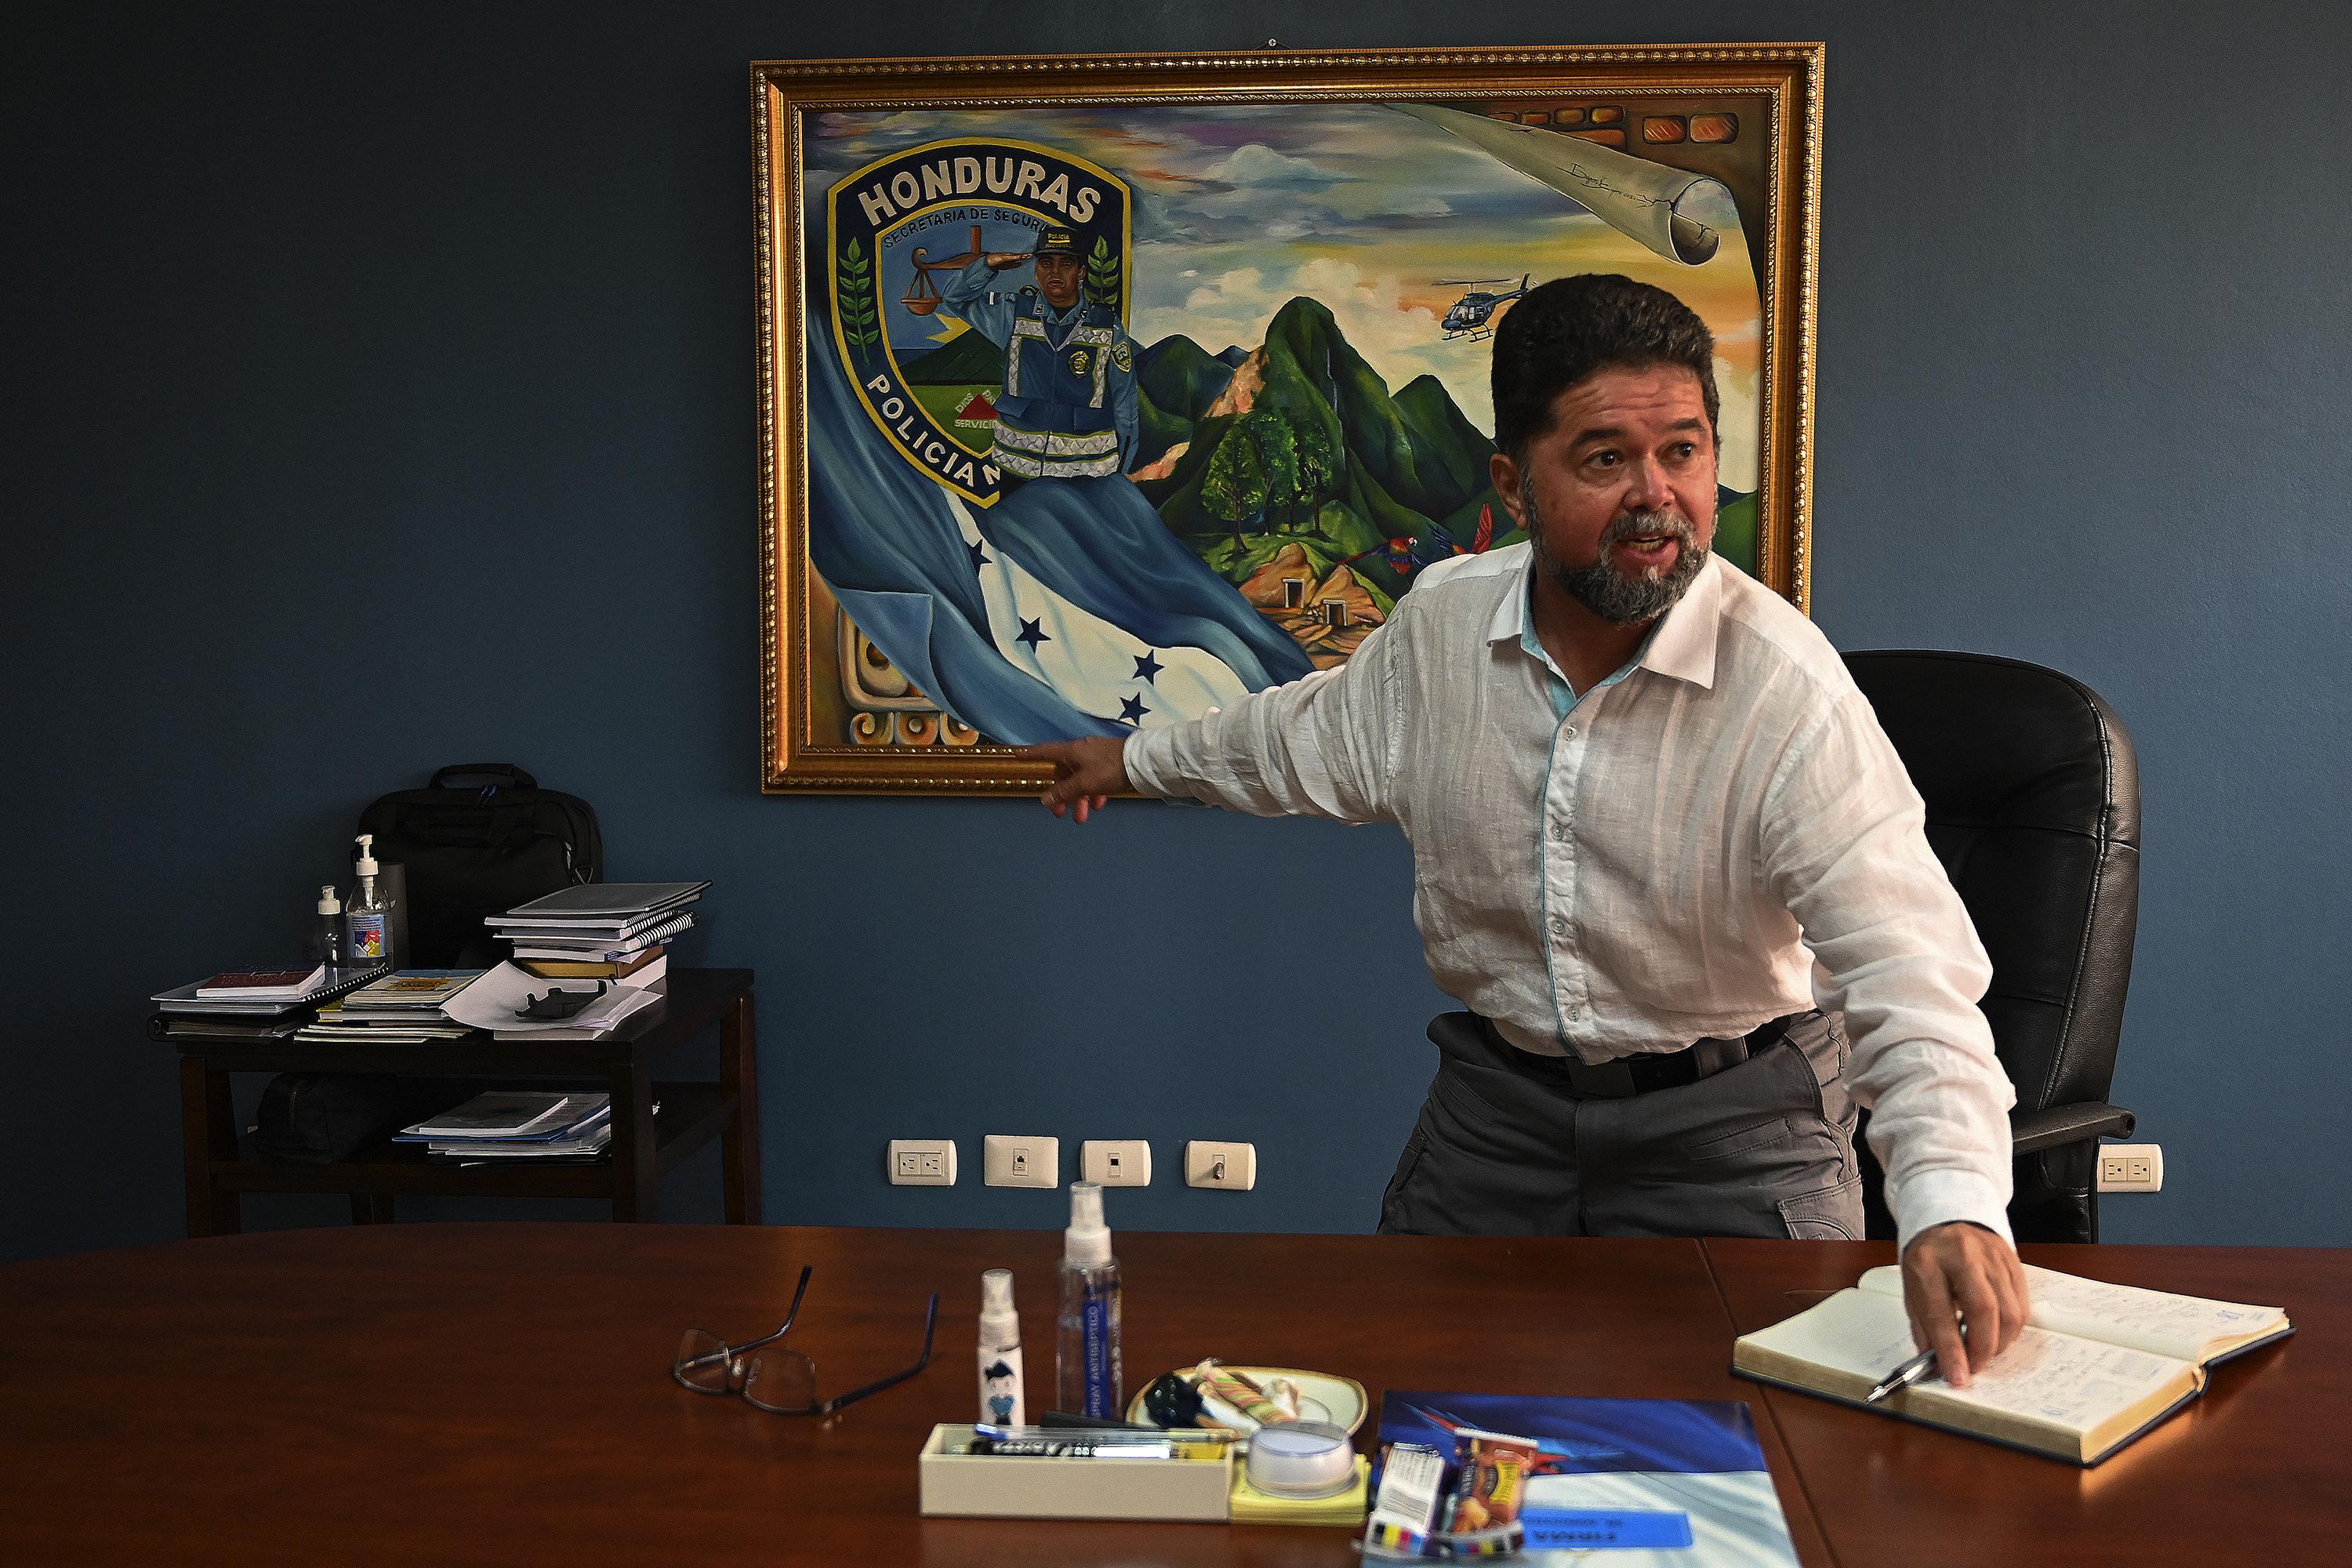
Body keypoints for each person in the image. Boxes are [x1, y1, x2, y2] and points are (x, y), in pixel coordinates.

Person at [1023, 274, 2031, 1388]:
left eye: (1685, 453)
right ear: (1513, 484)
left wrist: (1952, 1206)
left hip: (1733, 1137)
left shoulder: (1785, 690)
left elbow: (1910, 972)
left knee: (1752, 1466)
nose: (1659, 497)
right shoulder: (1443, 630)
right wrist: (1128, 760)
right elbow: (1294, 738)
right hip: (1495, 1124)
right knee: (1419, 1430)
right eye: (1606, 460)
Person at [939, 227, 1140, 481]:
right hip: (1018, 466)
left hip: (1086, 471)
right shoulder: (1013, 314)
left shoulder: (1106, 326)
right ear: (1036, 273)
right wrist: (988, 265)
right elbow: (954, 299)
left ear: (1082, 272)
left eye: (1066, 263)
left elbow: (1126, 405)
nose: (1055, 272)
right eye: (1046, 263)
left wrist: (1122, 470)